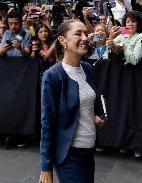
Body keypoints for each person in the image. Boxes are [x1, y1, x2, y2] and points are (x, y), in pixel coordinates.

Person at [39, 19, 106, 183]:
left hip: (88, 151)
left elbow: (94, 101)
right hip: (69, 155)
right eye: (78, 34)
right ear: (62, 40)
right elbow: (47, 123)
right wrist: (46, 167)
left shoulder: (89, 69)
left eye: (85, 33)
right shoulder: (53, 76)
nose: (84, 37)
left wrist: (99, 115)